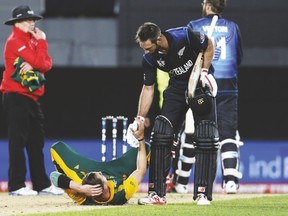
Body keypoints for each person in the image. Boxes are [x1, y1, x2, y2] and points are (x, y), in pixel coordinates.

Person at [134, 22, 219, 205]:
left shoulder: (184, 36)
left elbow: (209, 44)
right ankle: (157, 194)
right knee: (161, 133)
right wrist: (139, 117)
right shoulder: (149, 58)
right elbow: (148, 88)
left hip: (199, 85)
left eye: (148, 47)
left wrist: (204, 72)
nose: (146, 52)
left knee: (205, 135)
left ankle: (203, 194)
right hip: (177, 88)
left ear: (158, 39)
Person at [173, 0, 244, 194]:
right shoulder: (232, 26)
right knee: (228, 133)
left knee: (192, 131)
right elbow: (237, 57)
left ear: (206, 4)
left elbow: (185, 55)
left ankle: (181, 183)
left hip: (202, 83)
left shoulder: (194, 25)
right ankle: (230, 181)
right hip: (228, 84)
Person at [0, 5, 63, 196]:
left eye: (33, 20)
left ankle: (41, 184)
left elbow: (47, 64)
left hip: (31, 98)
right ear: (17, 23)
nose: (32, 23)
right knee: (17, 142)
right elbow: (41, 63)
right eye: (27, 20)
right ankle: (16, 185)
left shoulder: (31, 41)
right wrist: (42, 43)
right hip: (16, 97)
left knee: (36, 143)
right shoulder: (15, 41)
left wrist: (37, 55)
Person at [50, 116, 150, 205]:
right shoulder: (122, 194)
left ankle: (86, 176)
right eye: (101, 175)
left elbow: (53, 176)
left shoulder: (81, 195)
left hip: (87, 168)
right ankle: (157, 191)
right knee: (147, 149)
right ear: (106, 187)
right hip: (117, 171)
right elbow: (140, 170)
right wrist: (141, 139)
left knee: (56, 148)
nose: (100, 172)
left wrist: (80, 188)